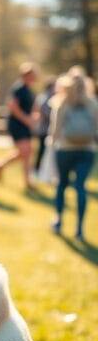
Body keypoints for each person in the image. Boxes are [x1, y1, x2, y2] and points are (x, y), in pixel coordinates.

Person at [50, 72, 98, 241]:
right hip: (87, 150)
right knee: (80, 187)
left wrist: (51, 148)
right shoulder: (93, 103)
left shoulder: (62, 102)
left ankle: (58, 220)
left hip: (65, 149)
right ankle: (79, 229)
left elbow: (55, 129)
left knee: (62, 184)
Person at [0, 62, 39, 190]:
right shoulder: (18, 88)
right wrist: (27, 120)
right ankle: (27, 181)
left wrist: (34, 116)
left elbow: (32, 107)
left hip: (25, 124)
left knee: (27, 152)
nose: (35, 77)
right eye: (33, 75)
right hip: (17, 124)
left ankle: (1, 166)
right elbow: (13, 107)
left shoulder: (29, 90)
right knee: (25, 151)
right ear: (26, 75)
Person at [34, 77, 57, 172]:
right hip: (44, 129)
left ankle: (40, 170)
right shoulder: (45, 97)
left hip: (46, 129)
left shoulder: (46, 97)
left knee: (44, 151)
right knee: (42, 150)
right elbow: (45, 112)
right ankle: (37, 169)